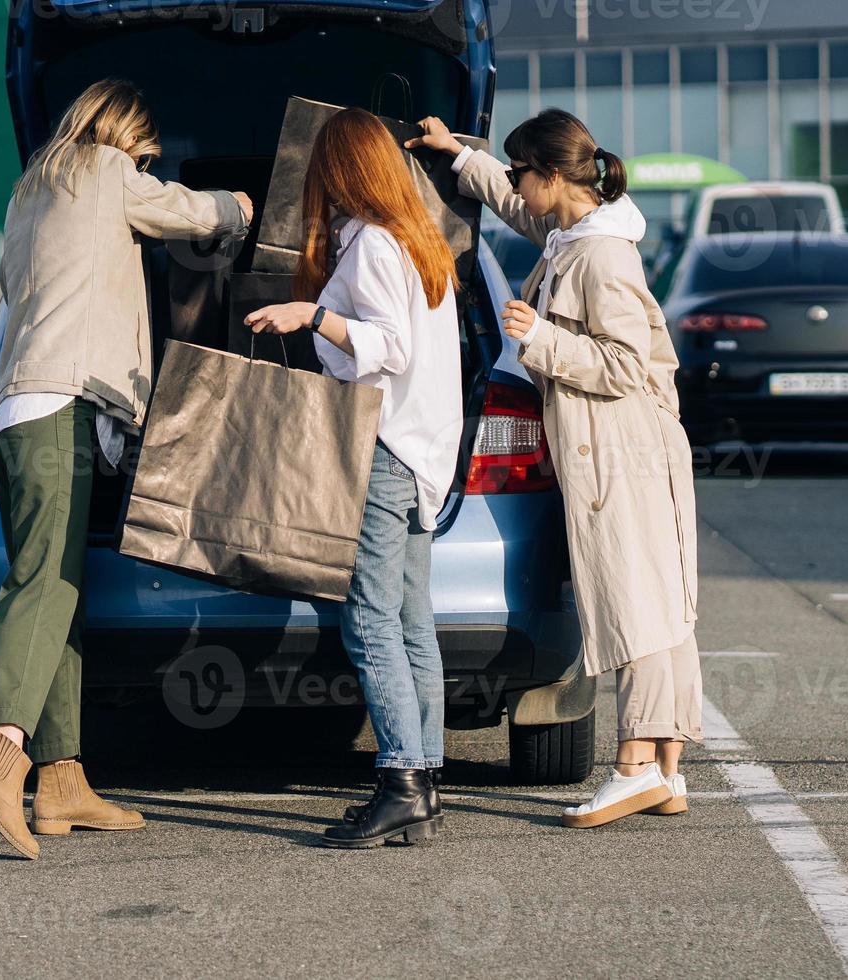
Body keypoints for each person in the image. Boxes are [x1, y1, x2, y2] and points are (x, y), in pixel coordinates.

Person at [0, 78, 254, 860]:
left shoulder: (32, 192)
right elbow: (185, 211)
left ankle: (63, 781)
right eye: (144, 152)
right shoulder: (103, 170)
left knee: (58, 588)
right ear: (126, 135)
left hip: (18, 410)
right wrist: (243, 207)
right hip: (60, 408)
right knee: (44, 582)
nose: (145, 164)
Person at [407, 108, 701, 829]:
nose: (513, 185)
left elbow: (628, 366)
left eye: (520, 171)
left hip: (624, 446)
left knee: (638, 607)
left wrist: (540, 339)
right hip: (614, 443)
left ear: (555, 176)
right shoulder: (576, 230)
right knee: (656, 605)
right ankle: (664, 767)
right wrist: (459, 155)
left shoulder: (604, 258)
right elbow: (516, 209)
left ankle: (634, 767)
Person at [245, 107, 462, 849]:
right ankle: (427, 782)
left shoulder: (372, 244)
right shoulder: (421, 241)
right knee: (410, 620)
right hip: (425, 450)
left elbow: (387, 349)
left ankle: (402, 781)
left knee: (367, 621)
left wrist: (311, 314)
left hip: (385, 448)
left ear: (342, 171)